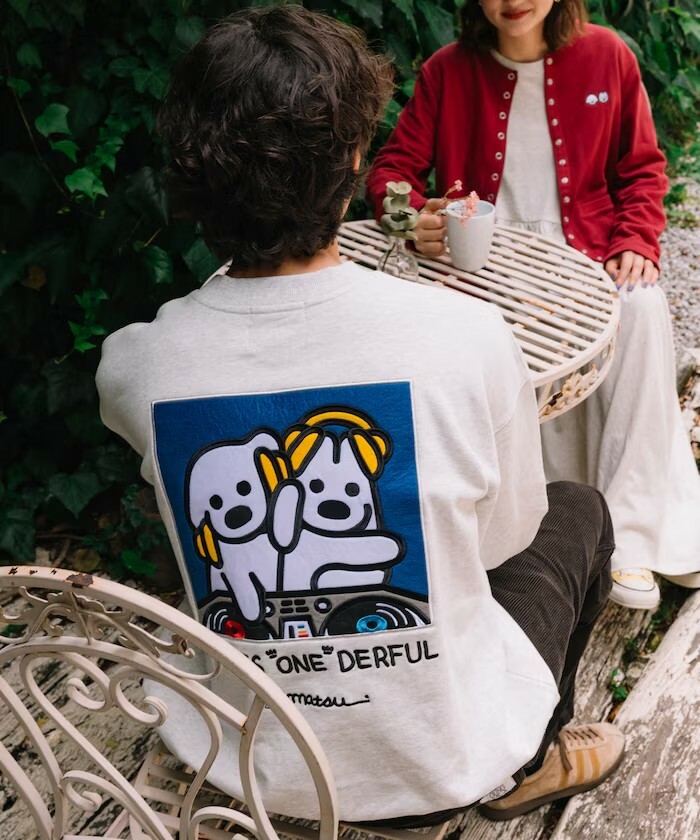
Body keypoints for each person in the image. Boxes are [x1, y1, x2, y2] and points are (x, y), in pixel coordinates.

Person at [97, 5, 623, 824]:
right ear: (352, 160)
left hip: (249, 763)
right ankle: (524, 762)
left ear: (192, 177)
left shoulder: (135, 363)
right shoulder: (466, 334)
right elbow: (503, 542)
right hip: (440, 765)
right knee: (578, 509)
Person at [367, 0, 700, 611]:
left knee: (644, 308)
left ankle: (632, 534)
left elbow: (643, 169)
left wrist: (635, 239)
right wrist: (412, 220)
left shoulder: (610, 55)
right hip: (487, 272)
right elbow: (393, 173)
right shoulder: (446, 70)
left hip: (591, 255)